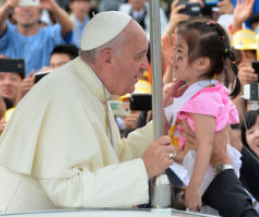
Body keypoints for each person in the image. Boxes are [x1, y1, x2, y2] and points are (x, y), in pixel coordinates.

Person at [0, 11, 175, 213]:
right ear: (107, 59)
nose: (146, 65)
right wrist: (143, 168)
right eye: (139, 56)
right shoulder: (64, 94)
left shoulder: (90, 86)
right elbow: (68, 191)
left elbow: (112, 159)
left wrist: (161, 123)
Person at [164, 20, 240, 212]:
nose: (172, 58)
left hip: (211, 172)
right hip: (205, 167)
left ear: (202, 63)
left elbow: (206, 144)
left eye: (179, 54)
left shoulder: (202, 99)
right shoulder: (202, 91)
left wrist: (195, 186)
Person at [0, 0, 73, 75]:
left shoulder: (51, 34)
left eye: (31, 4)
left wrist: (53, 5)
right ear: (13, 14)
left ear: (40, 13)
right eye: (21, 4)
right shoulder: (7, 33)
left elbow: (69, 27)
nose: (26, 9)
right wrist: (7, 5)